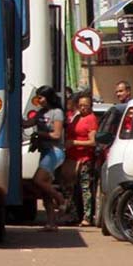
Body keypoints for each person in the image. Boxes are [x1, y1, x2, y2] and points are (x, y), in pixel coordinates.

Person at [23, 86, 67, 231]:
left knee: (38, 180)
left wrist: (39, 135)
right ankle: (51, 223)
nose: (39, 100)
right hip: (45, 151)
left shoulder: (57, 113)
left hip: (55, 152)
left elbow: (56, 134)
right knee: (44, 190)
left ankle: (60, 199)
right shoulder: (40, 113)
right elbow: (27, 124)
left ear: (48, 97)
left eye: (41, 97)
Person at [62, 95, 98, 226]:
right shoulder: (77, 117)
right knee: (70, 188)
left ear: (90, 106)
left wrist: (74, 142)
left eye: (86, 105)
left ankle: (87, 217)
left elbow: (93, 142)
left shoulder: (91, 119)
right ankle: (73, 215)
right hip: (72, 158)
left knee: (85, 188)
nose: (83, 108)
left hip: (84, 158)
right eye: (81, 105)